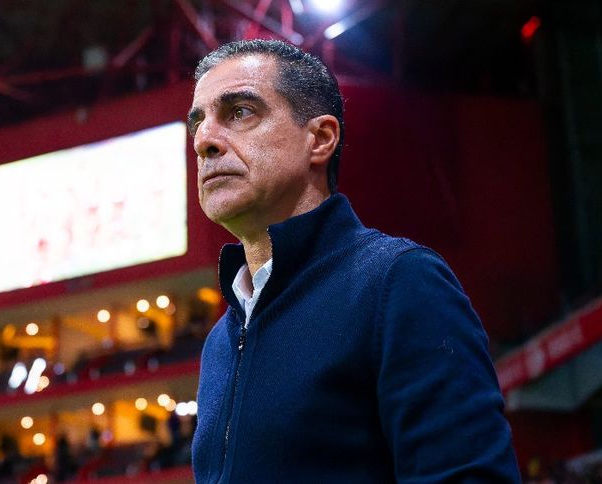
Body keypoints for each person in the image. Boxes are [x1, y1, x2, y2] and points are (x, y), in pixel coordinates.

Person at [186, 39, 520, 483]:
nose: (204, 140)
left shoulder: (398, 282)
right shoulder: (219, 342)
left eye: (240, 112)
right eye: (198, 123)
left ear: (320, 139)